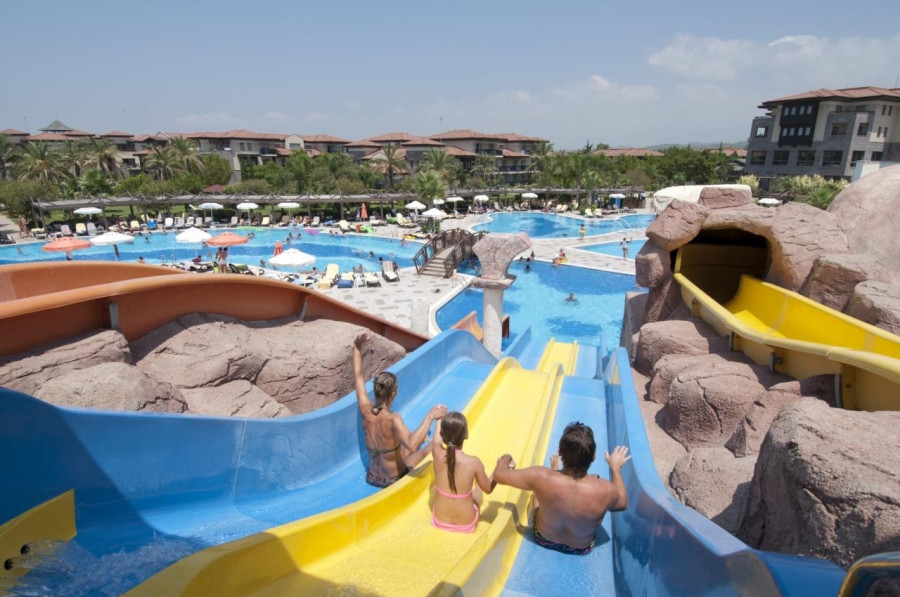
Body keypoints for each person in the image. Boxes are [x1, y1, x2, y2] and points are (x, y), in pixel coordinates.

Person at [492, 423, 631, 555]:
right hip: (581, 548)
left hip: (543, 539)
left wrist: (506, 457)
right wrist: (615, 468)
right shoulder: (606, 489)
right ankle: (556, 472)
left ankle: (555, 471)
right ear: (593, 456)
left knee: (538, 490)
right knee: (599, 500)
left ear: (559, 451)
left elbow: (499, 475)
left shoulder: (540, 477)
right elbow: (622, 503)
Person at [353, 334, 447, 488]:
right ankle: (430, 440)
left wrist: (357, 348)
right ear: (393, 394)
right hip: (393, 480)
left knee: (400, 447)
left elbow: (358, 377)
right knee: (421, 452)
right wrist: (431, 416)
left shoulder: (365, 410)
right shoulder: (393, 419)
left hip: (371, 477)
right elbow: (412, 445)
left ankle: (423, 436)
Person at [431, 412, 495, 533]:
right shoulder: (474, 462)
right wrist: (498, 471)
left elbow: (436, 442)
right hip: (466, 523)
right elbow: (488, 489)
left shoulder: (436, 452)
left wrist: (439, 419)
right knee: (478, 492)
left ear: (442, 434)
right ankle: (479, 485)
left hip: (439, 520)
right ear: (466, 435)